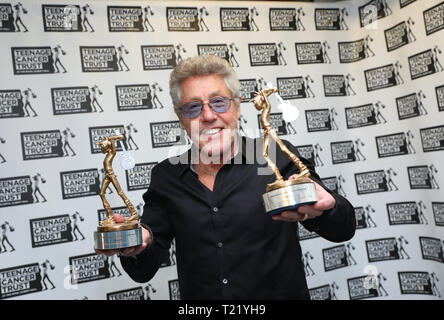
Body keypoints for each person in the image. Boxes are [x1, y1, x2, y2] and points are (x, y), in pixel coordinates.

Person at [96, 55, 356, 299]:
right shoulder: (166, 176)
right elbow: (143, 269)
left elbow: (343, 229)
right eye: (193, 107)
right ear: (180, 118)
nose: (208, 116)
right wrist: (138, 246)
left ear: (237, 107)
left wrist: (328, 208)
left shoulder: (276, 157)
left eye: (218, 102)